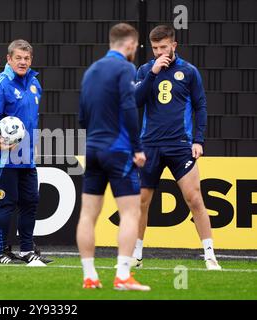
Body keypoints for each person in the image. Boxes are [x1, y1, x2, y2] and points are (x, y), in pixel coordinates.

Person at [133, 25, 221, 270]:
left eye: (164, 47)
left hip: (180, 145)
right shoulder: (144, 70)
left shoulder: (189, 72)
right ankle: (137, 255)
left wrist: (198, 140)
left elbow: (200, 107)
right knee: (142, 201)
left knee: (194, 198)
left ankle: (210, 255)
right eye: (155, 48)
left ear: (174, 45)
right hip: (149, 144)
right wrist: (152, 73)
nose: (160, 52)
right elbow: (135, 101)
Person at [77, 23, 150, 291]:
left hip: (93, 149)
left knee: (88, 215)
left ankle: (89, 276)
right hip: (118, 150)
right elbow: (130, 108)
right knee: (131, 212)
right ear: (130, 45)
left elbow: (82, 117)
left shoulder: (90, 71)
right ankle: (122, 275)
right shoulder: (125, 68)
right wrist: (137, 147)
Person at [0, 39, 52, 265]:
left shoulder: (34, 83)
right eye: (18, 58)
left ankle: (25, 250)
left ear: (31, 60)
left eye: (27, 58)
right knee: (6, 204)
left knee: (31, 201)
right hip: (4, 157)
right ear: (9, 59)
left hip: (27, 157)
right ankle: (0, 252)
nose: (23, 62)